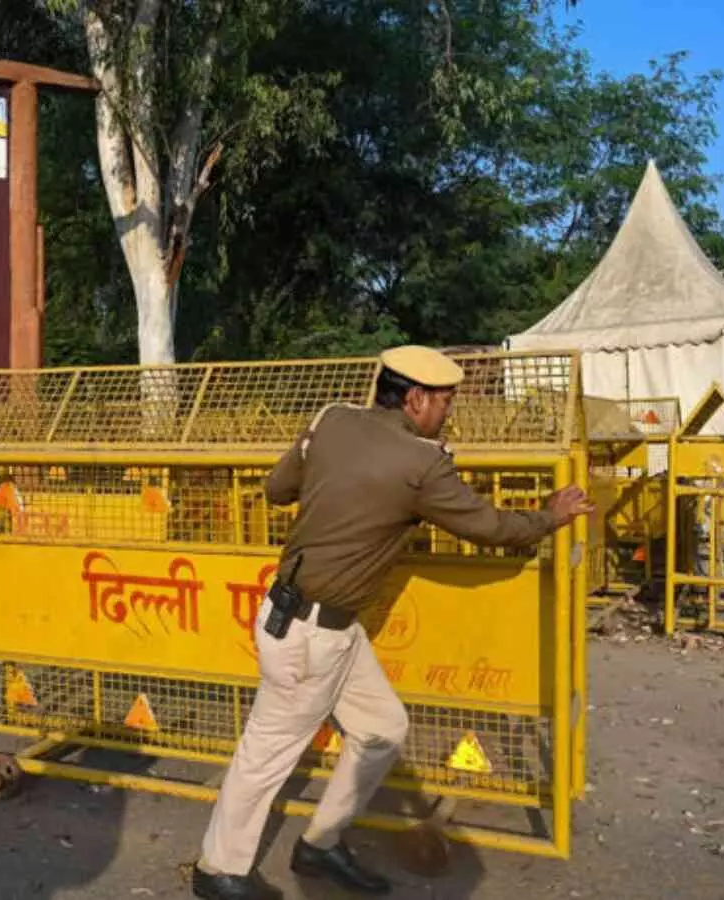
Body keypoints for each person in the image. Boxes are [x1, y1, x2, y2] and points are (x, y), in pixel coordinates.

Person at [191, 345, 595, 900]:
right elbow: (489, 527)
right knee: (265, 757)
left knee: (382, 729)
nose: (449, 412)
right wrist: (550, 516)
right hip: (311, 635)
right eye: (446, 401)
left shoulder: (331, 418)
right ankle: (218, 870)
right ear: (416, 398)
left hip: (324, 626)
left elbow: (277, 489)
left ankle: (321, 844)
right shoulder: (422, 463)